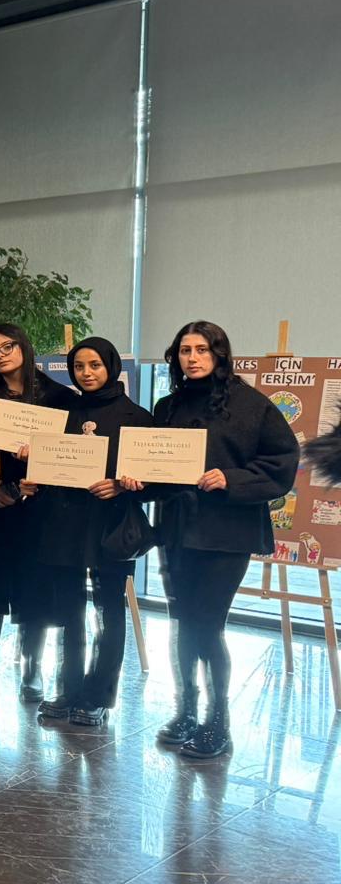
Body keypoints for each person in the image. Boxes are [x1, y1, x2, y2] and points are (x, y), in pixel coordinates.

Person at [146, 321, 297, 759]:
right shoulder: (167, 406)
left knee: (207, 625)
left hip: (228, 533)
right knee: (183, 622)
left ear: (219, 354)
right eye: (184, 350)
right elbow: (156, 464)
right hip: (177, 529)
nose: (192, 358)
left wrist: (231, 478)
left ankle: (218, 724)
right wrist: (139, 479)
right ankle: (187, 711)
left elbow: (283, 464)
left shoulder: (252, 405)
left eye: (201, 350)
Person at [17, 337, 153, 728]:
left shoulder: (137, 417)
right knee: (69, 611)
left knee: (109, 611)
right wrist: (31, 471)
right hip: (63, 525)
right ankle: (69, 688)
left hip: (111, 525)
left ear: (111, 367)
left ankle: (99, 696)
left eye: (95, 365)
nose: (87, 373)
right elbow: (47, 465)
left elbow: (154, 479)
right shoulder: (60, 413)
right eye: (79, 366)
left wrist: (123, 485)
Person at [0, 324, 78, 700]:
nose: (0, 355)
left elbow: (70, 454)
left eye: (7, 347)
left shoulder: (59, 396)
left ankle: (32, 666)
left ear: (23, 347)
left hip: (40, 506)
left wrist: (37, 473)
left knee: (36, 586)